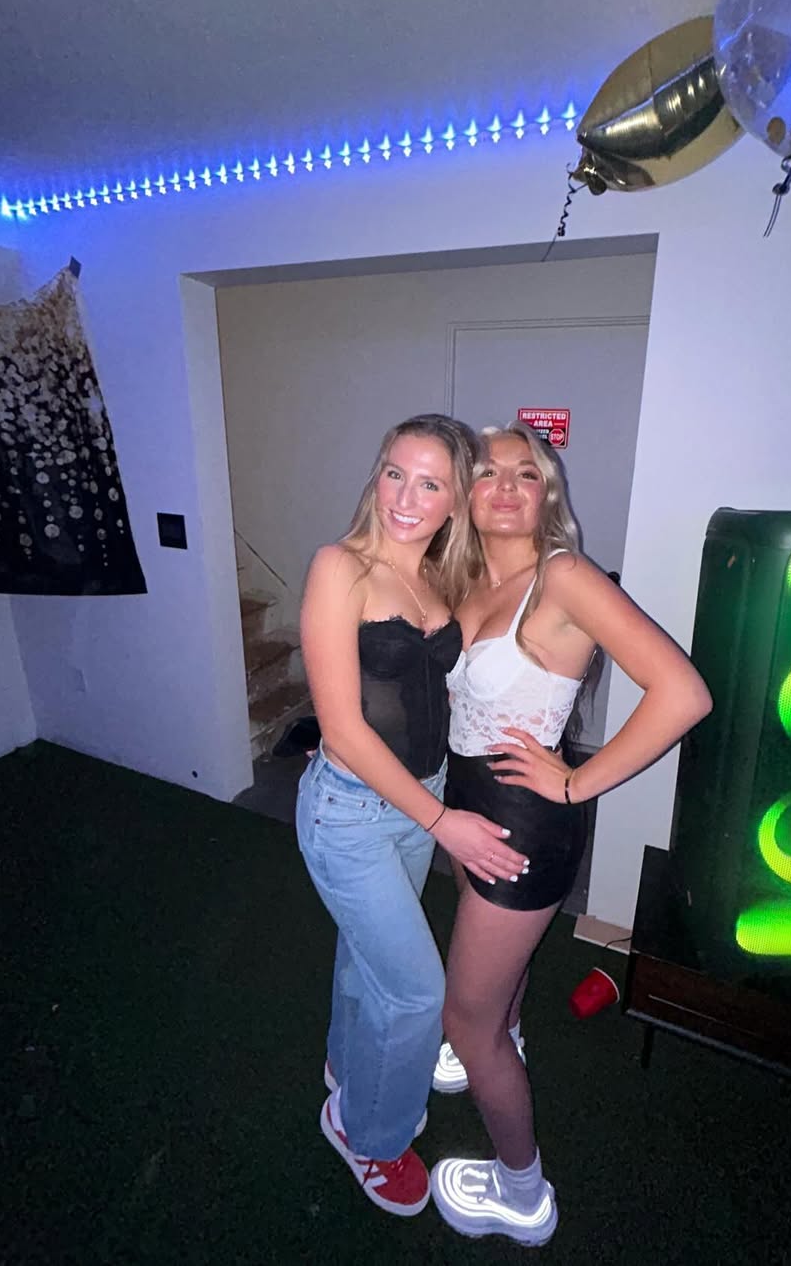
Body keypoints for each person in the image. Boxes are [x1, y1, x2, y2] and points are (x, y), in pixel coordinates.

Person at [429, 422, 712, 1245]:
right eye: (488, 473)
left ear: (547, 494)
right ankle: (505, 1036)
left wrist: (576, 781)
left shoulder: (562, 575)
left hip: (522, 824)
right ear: (467, 493)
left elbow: (683, 693)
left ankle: (522, 1192)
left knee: (463, 1021)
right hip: (470, 803)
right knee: (493, 994)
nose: (506, 486)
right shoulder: (470, 577)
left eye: (527, 473)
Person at [295, 414, 528, 1219]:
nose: (405, 497)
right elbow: (342, 729)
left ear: (455, 501)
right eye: (395, 473)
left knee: (366, 961)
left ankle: (348, 1069)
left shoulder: (439, 579)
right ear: (377, 474)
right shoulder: (341, 567)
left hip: (414, 802)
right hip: (351, 812)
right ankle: (368, 1135)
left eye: (430, 484)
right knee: (418, 995)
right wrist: (442, 821)